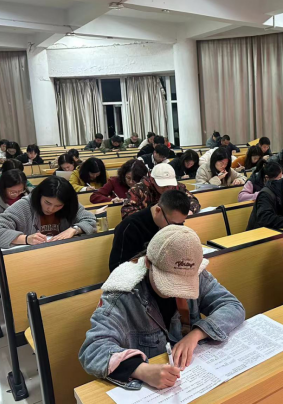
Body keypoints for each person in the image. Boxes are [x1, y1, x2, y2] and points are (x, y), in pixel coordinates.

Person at [79, 224, 245, 390]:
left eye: (184, 283)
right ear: (148, 262)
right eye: (169, 282)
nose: (175, 292)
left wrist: (197, 333)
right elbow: (93, 349)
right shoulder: (121, 295)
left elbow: (232, 306)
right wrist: (141, 370)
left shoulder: (196, 274)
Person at [0, 175, 97, 248]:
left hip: (63, 253)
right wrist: (26, 239)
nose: (51, 209)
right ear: (39, 196)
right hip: (31, 258)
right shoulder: (24, 205)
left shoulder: (69, 204)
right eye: (47, 203)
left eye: (58, 206)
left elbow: (90, 220)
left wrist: (74, 229)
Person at [109, 190, 191, 271]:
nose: (175, 228)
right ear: (158, 210)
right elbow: (116, 269)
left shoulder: (175, 223)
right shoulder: (129, 227)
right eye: (172, 224)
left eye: (181, 223)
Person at [122, 164, 200, 219]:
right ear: (152, 180)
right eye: (163, 186)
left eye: (169, 185)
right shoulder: (138, 190)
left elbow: (193, 201)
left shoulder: (176, 187)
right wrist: (154, 217)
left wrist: (189, 211)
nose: (167, 189)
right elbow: (127, 212)